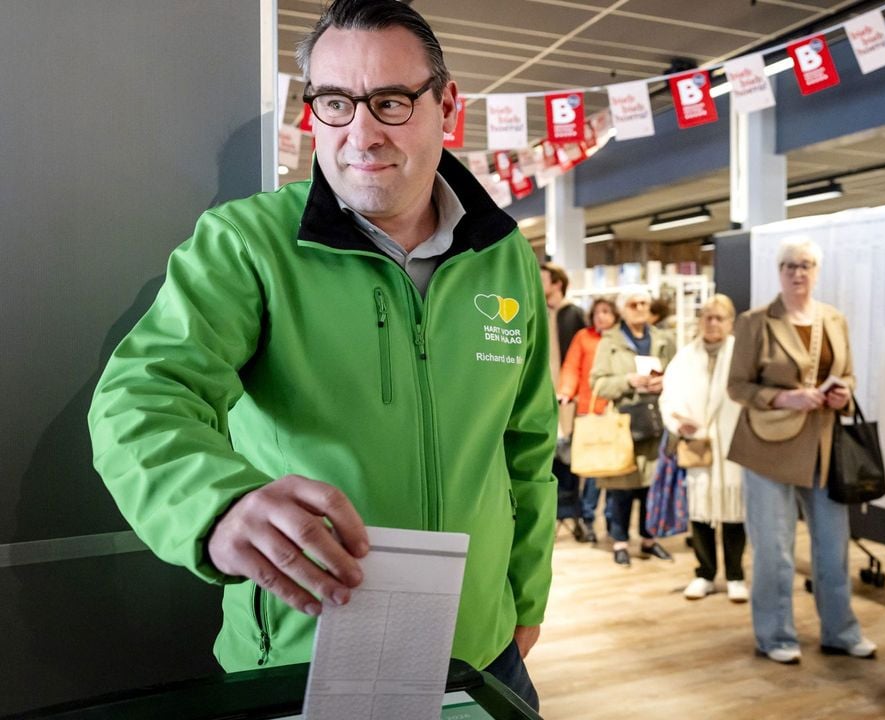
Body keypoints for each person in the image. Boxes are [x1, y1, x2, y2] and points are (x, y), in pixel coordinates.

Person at [85, 0, 554, 710]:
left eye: (391, 102)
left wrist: (527, 598)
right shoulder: (247, 246)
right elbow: (139, 398)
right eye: (335, 102)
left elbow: (527, 444)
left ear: (447, 106)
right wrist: (218, 504)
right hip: (306, 660)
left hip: (481, 654)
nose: (360, 134)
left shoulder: (503, 257)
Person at [726, 237, 875, 665]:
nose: (798, 272)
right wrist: (784, 398)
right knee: (774, 551)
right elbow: (737, 386)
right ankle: (775, 635)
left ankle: (840, 632)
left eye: (806, 265)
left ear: (816, 270)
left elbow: (847, 374)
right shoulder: (756, 322)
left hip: (824, 448)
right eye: (790, 265)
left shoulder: (833, 319)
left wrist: (841, 393)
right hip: (768, 449)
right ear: (779, 271)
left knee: (834, 547)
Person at [660, 294, 748, 602]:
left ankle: (736, 575)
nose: (712, 323)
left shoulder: (742, 355)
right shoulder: (685, 357)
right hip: (698, 444)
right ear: (700, 321)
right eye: (707, 317)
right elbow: (668, 396)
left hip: (733, 444)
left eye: (719, 318)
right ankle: (705, 573)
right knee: (700, 510)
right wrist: (677, 422)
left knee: (734, 511)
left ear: (730, 323)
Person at [590, 290, 677, 565]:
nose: (639, 308)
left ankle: (649, 540)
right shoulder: (610, 341)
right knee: (622, 487)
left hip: (656, 420)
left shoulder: (664, 339)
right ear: (622, 309)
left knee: (651, 485)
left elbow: (677, 373)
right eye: (633, 304)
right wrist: (629, 380)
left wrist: (665, 382)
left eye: (643, 303)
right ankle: (620, 543)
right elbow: (598, 383)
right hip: (624, 422)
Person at [557, 297, 619, 543]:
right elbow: (572, 367)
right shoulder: (584, 337)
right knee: (592, 472)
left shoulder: (619, 339)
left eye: (606, 311)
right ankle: (588, 518)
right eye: (597, 312)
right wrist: (565, 391)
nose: (601, 317)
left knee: (617, 470)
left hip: (615, 412)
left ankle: (614, 523)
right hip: (588, 411)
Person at [541, 262, 589, 541]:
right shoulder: (534, 309)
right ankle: (549, 518)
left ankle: (574, 514)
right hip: (542, 398)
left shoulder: (575, 314)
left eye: (543, 278)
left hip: (569, 400)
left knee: (570, 462)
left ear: (557, 283)